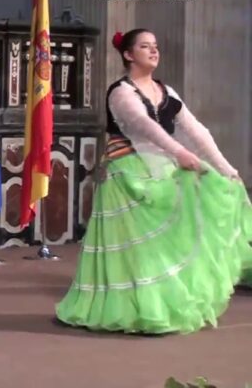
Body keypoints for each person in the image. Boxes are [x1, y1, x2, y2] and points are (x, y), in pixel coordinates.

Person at [55, 28, 252, 334]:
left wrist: (226, 168)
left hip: (161, 170)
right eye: (145, 46)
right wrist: (180, 152)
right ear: (128, 55)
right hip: (128, 176)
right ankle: (135, 310)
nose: (153, 51)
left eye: (156, 46)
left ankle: (163, 306)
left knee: (168, 243)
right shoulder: (121, 92)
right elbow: (146, 127)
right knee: (138, 252)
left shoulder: (167, 92)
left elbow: (197, 130)